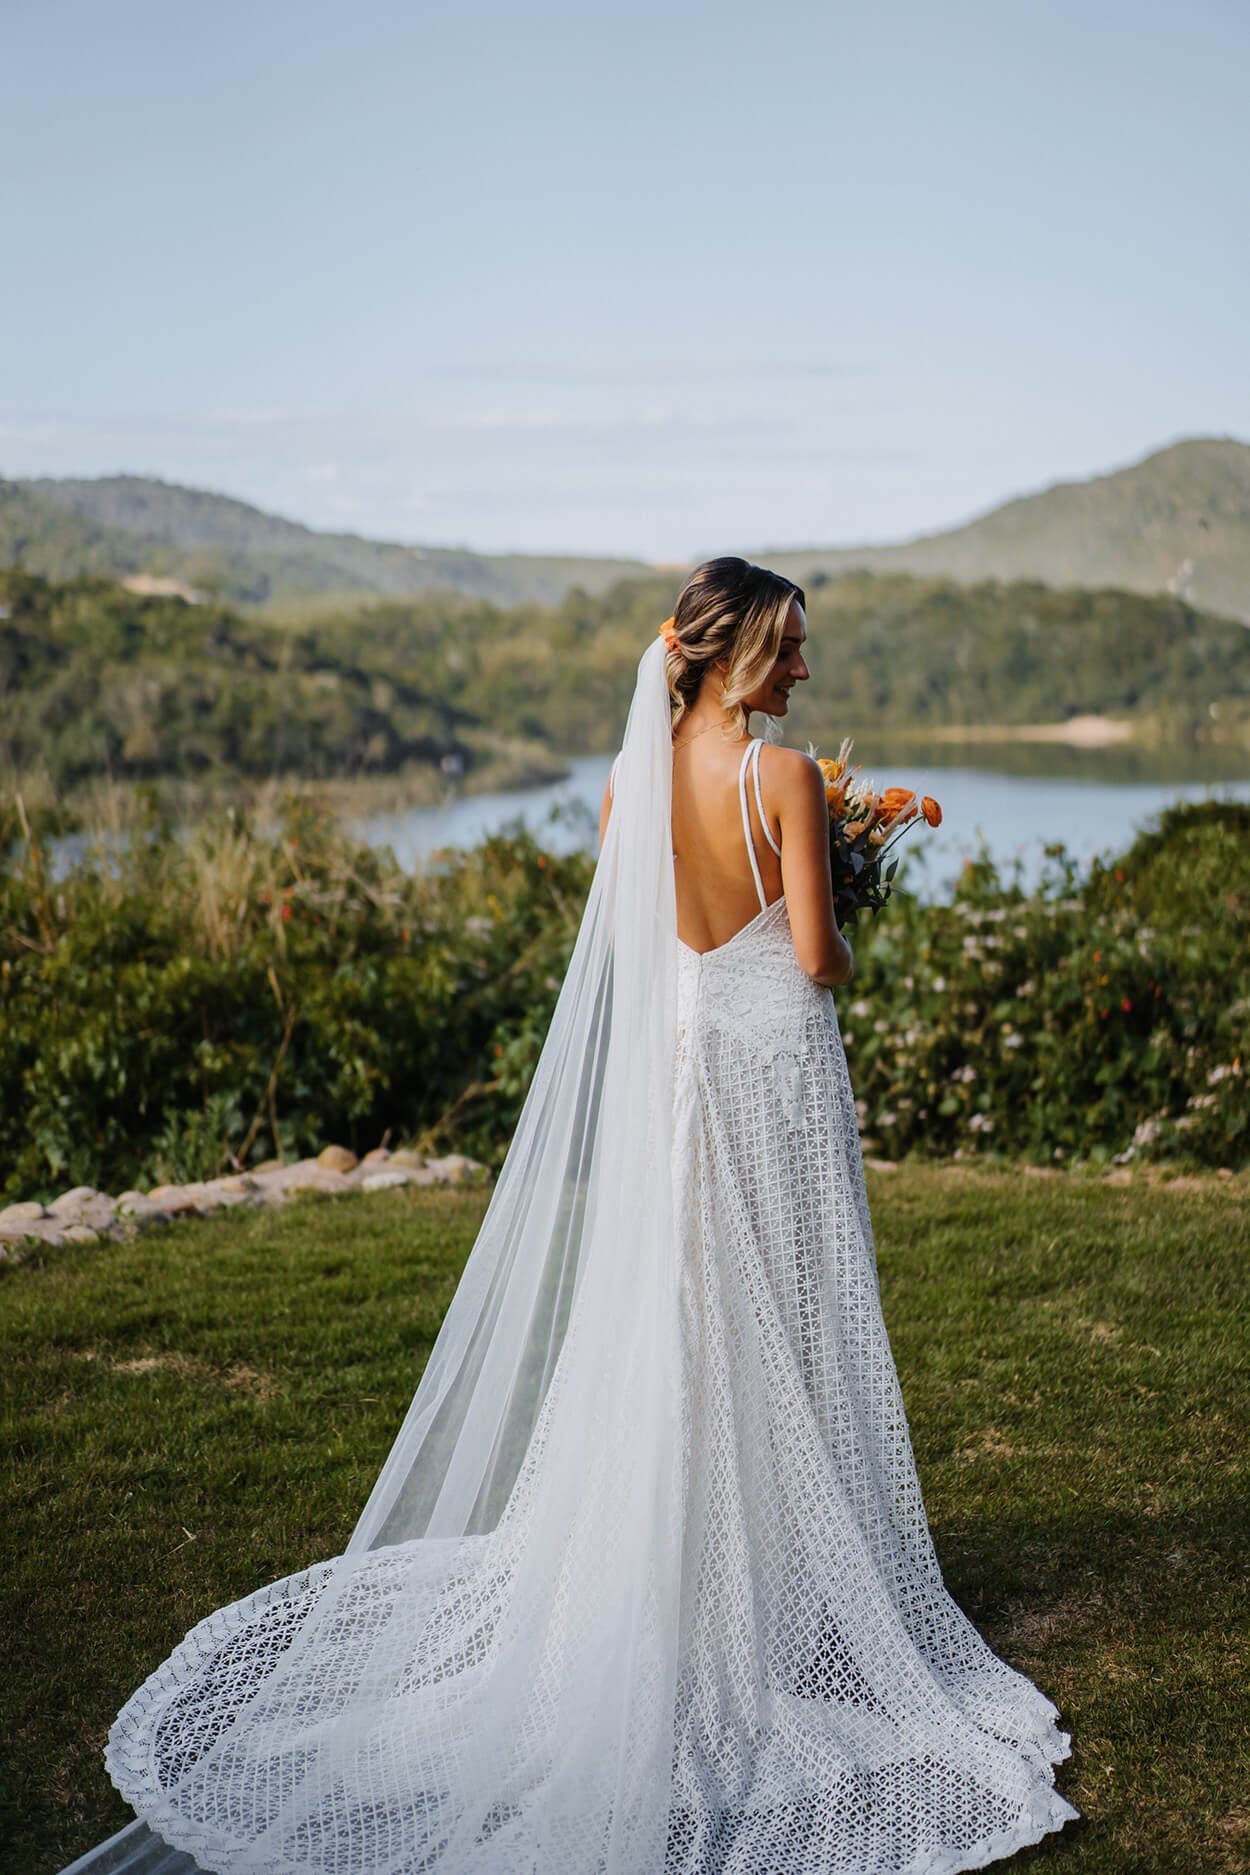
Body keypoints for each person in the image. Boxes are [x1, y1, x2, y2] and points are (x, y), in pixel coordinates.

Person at [86, 557, 1077, 1875]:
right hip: (772, 1077)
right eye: (787, 647)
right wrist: (839, 898)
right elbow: (814, 959)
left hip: (681, 1082)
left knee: (682, 1313)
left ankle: (686, 1566)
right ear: (730, 655)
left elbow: (636, 951)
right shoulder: (783, 780)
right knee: (779, 1312)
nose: (802, 669)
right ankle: (766, 1582)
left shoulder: (628, 785)